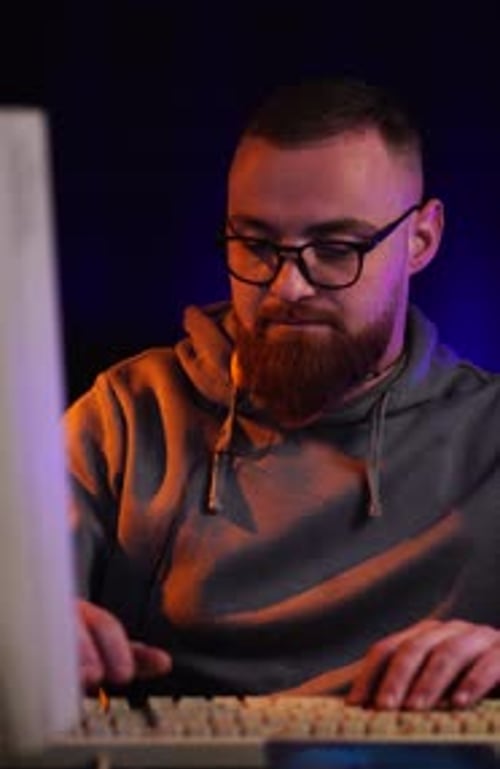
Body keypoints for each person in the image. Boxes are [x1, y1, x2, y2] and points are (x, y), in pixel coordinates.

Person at [66, 75, 500, 712]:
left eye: (335, 248)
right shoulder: (126, 416)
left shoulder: (489, 435)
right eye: (256, 244)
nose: (287, 288)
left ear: (421, 240)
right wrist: (31, 636)